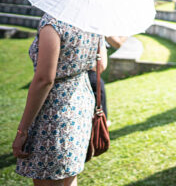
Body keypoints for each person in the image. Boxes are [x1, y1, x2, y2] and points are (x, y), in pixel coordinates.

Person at [13, 13, 107, 185]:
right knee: (69, 178)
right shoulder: (93, 20)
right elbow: (100, 65)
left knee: (47, 180)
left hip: (54, 112)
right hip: (81, 103)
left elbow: (44, 80)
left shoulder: (53, 23)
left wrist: (22, 131)